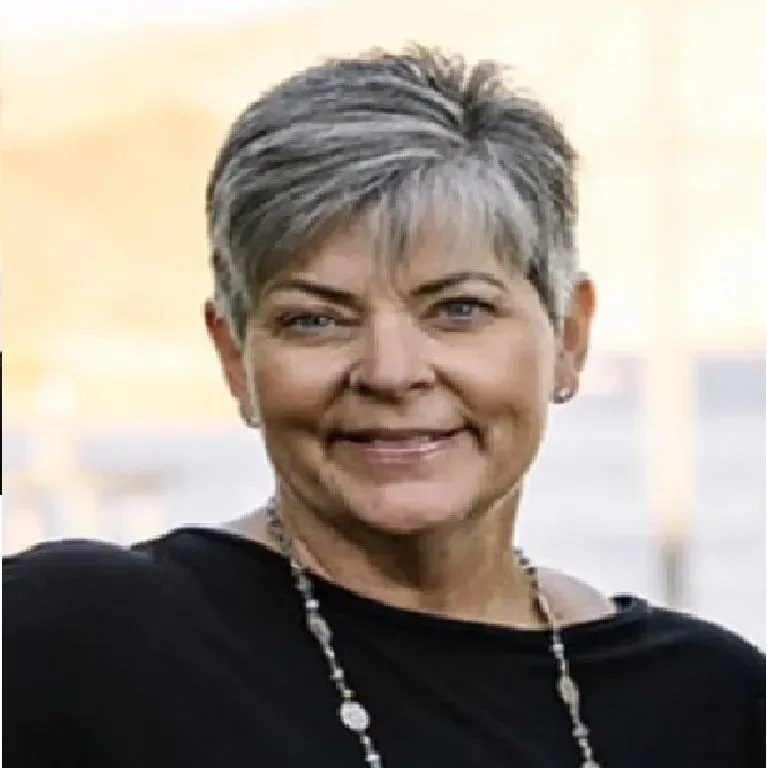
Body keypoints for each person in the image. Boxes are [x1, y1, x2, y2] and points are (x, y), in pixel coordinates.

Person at [3, 46, 763, 768]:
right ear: (234, 355)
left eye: (458, 309)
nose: (391, 373)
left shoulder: (710, 704)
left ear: (568, 335)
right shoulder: (71, 641)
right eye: (315, 319)